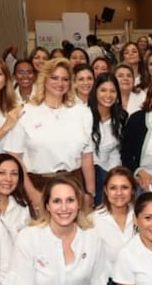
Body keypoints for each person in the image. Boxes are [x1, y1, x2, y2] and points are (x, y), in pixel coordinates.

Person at [6, 58, 96, 209]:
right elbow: (15, 157)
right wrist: (32, 193)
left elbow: (87, 156)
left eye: (65, 79)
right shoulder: (26, 112)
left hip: (74, 184)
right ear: (44, 79)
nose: (59, 83)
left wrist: (90, 193)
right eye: (54, 78)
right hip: (39, 186)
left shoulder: (82, 112)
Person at [90, 73, 128, 205]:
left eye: (113, 91)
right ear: (95, 92)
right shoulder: (85, 115)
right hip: (86, 174)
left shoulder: (121, 117)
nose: (108, 95)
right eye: (103, 90)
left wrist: (116, 177)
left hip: (108, 174)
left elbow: (116, 152)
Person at [92, 166, 138, 265]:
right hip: (108, 279)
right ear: (105, 190)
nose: (119, 193)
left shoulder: (142, 215)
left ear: (133, 190)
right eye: (113, 188)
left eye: (124, 187)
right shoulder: (93, 220)